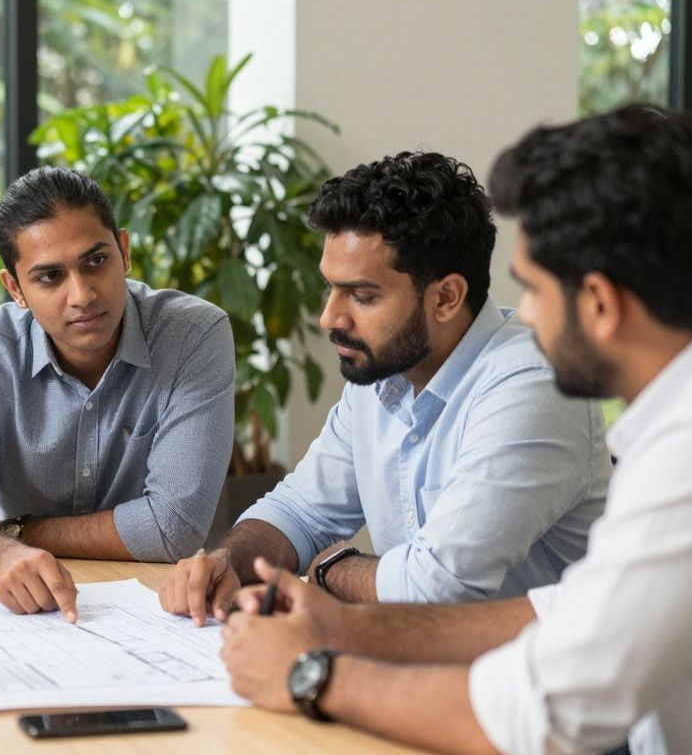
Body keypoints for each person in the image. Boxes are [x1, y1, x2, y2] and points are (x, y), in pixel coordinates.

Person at [219, 105, 692, 755]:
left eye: (532, 289)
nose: (521, 312)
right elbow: (570, 612)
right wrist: (346, 627)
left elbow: (544, 713)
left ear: (602, 304)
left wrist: (311, 673)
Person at [161, 151, 610, 621]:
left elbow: (434, 588)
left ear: (446, 298)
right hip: (423, 663)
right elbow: (301, 511)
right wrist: (224, 561)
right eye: (331, 288)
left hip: (534, 681)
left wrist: (330, 568)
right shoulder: (381, 375)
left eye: (362, 295)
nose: (330, 317)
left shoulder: (534, 384)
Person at [0, 166, 236, 622]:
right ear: (15, 288)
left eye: (96, 262)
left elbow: (173, 527)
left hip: (159, 614)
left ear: (124, 250)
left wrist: (11, 533)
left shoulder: (194, 335)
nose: (81, 295)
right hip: (25, 611)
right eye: (49, 277)